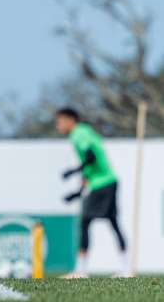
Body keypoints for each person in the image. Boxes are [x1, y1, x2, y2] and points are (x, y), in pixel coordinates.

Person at [55, 107, 132, 278]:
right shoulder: (85, 131)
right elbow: (90, 167)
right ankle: (126, 269)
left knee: (85, 221)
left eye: (59, 122)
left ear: (70, 120)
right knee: (113, 222)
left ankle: (81, 270)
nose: (57, 126)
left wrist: (72, 171)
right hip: (107, 181)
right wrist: (78, 192)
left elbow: (90, 157)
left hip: (102, 184)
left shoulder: (79, 133)